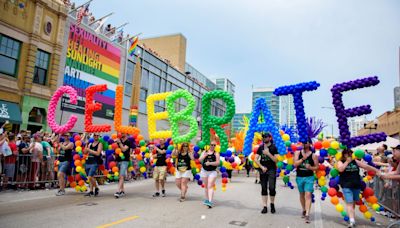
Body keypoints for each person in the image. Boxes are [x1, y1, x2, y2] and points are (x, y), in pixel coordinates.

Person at [337, 149, 379, 228]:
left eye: (350, 153)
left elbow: (366, 166)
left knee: (353, 202)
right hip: (346, 185)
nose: (349, 155)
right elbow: (340, 169)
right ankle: (352, 221)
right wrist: (347, 162)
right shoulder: (340, 162)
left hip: (356, 185)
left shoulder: (355, 161)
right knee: (349, 202)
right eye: (347, 153)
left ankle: (352, 216)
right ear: (343, 154)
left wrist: (377, 170)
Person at [293, 140, 318, 223]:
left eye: (306, 142)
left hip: (309, 177)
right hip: (299, 177)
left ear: (310, 144)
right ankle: (304, 209)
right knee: (302, 194)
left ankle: (307, 214)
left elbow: (316, 167)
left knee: (308, 194)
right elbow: (295, 164)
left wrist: (310, 167)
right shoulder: (297, 153)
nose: (304, 143)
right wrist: (302, 159)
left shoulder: (313, 155)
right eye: (303, 142)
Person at [253, 133, 279, 214]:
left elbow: (276, 160)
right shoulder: (260, 147)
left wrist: (268, 153)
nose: (264, 138)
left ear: (269, 138)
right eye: (263, 137)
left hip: (271, 170)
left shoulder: (274, 147)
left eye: (265, 137)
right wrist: (261, 167)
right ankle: (264, 206)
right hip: (263, 170)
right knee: (263, 188)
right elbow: (255, 159)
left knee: (272, 188)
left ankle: (272, 204)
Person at [199, 141, 220, 208]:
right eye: (212, 145)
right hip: (204, 171)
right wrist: (203, 156)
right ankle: (207, 199)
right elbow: (199, 160)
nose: (213, 146)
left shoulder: (216, 153)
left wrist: (210, 163)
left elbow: (218, 163)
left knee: (210, 186)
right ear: (209, 145)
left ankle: (210, 201)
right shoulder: (204, 152)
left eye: (214, 145)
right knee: (206, 186)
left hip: (212, 171)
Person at [114, 133, 132, 198]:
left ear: (126, 133)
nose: (120, 134)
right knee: (120, 176)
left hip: (125, 161)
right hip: (118, 160)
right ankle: (122, 190)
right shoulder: (118, 140)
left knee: (121, 175)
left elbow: (124, 149)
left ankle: (118, 191)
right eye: (120, 133)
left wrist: (119, 143)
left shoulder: (128, 142)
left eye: (122, 133)